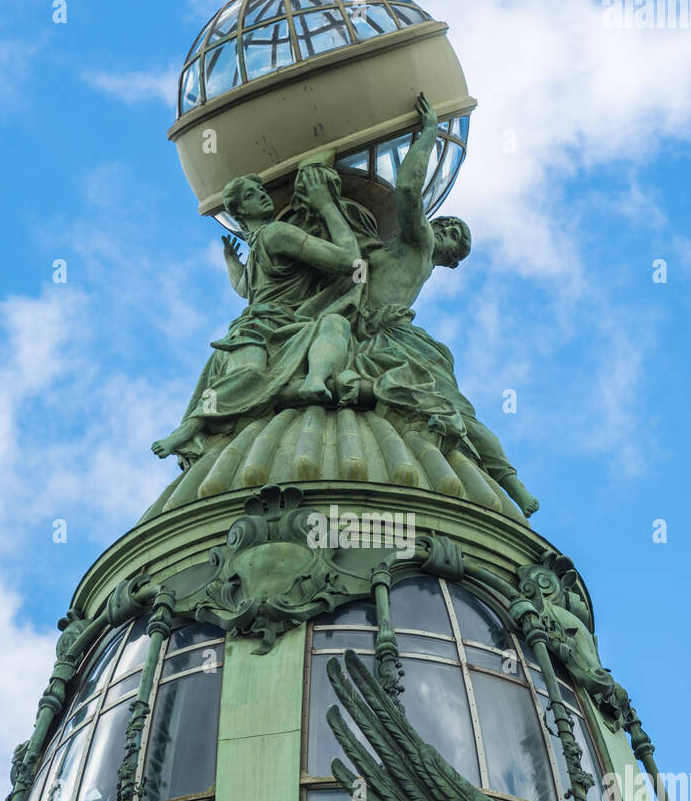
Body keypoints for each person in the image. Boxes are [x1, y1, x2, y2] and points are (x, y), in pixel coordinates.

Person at [337, 93, 540, 517]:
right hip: (362, 329)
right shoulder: (394, 249)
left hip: (387, 338)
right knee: (457, 415)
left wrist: (428, 135)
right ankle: (509, 485)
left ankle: (512, 485)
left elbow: (408, 190)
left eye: (455, 241)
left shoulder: (417, 246)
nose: (446, 233)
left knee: (455, 414)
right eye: (451, 231)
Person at [151, 163, 361, 462]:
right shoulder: (275, 234)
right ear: (241, 213)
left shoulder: (268, 239)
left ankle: (192, 428)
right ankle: (188, 429)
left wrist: (232, 262)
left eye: (261, 191)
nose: (263, 196)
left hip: (284, 326)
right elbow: (351, 260)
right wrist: (327, 205)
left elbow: (243, 288)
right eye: (252, 195)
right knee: (249, 374)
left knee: (252, 372)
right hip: (257, 329)